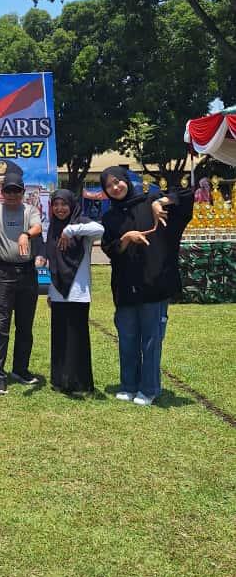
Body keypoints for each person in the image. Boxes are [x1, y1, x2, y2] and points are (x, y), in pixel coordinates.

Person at [100, 167, 193, 406]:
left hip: (154, 284)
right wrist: (126, 238)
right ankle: (129, 385)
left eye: (118, 182)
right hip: (125, 286)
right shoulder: (110, 217)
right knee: (127, 338)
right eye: (109, 185)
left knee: (151, 340)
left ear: (126, 182)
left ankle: (149, 388)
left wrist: (159, 200)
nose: (115, 187)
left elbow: (186, 194)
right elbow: (110, 249)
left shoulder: (149, 202)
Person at [0, 170, 42, 395]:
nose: (12, 195)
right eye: (8, 191)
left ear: (23, 193)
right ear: (2, 193)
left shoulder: (30, 210)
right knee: (0, 327)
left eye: (16, 191)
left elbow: (37, 227)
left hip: (27, 274)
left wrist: (26, 234)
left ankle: (20, 370)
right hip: (3, 274)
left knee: (25, 326)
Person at [45, 189, 104, 394]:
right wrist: (51, 294)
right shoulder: (52, 228)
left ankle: (80, 383)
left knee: (77, 337)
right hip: (58, 291)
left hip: (78, 291)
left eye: (64, 204)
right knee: (60, 337)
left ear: (72, 205)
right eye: (56, 205)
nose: (60, 209)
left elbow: (100, 230)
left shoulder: (82, 224)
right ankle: (61, 381)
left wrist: (71, 230)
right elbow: (53, 263)